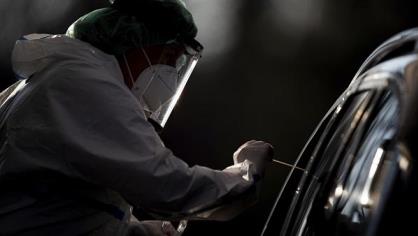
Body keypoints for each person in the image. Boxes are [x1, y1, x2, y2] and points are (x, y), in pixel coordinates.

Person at [0, 0, 273, 235]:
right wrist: (245, 175)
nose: (169, 72)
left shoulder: (64, 78)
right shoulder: (86, 85)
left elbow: (67, 204)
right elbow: (166, 185)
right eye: (169, 58)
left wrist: (133, 230)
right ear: (136, 44)